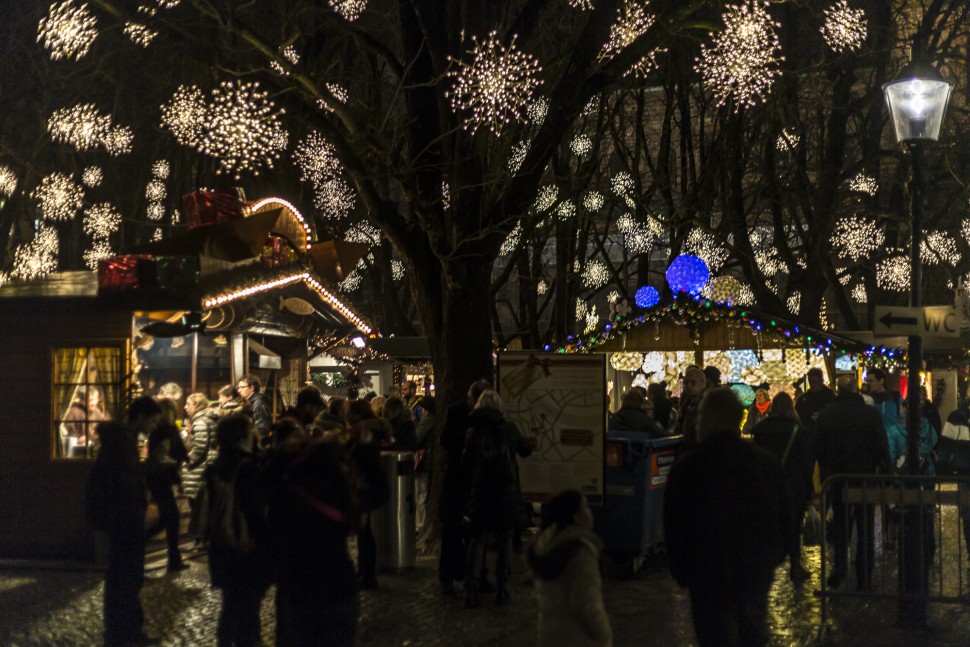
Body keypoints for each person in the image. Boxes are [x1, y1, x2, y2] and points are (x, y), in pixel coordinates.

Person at [664, 387, 794, 647]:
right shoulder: (764, 463)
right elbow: (785, 518)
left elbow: (674, 525)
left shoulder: (689, 467)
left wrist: (683, 571)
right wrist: (770, 559)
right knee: (752, 635)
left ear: (709, 420)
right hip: (752, 570)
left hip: (706, 573)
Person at [85, 397, 162, 647]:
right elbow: (129, 480)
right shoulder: (123, 441)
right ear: (140, 416)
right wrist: (154, 461)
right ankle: (125, 632)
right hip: (123, 518)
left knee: (121, 576)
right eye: (152, 420)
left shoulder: (119, 440)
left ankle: (122, 630)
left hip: (120, 517)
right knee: (126, 577)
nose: (153, 426)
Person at [269, 435, 358, 647]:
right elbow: (379, 490)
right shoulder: (340, 491)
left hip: (298, 584)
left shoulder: (287, 493)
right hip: (337, 583)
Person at [815, 376, 892, 589]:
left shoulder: (826, 415)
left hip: (837, 478)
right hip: (865, 477)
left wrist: (824, 477)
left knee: (840, 525)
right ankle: (863, 576)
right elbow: (881, 446)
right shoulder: (870, 415)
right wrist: (888, 475)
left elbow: (818, 449)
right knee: (865, 526)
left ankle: (839, 569)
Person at [462, 390, 533, 608]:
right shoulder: (508, 429)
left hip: (482, 491)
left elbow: (466, 464)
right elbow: (525, 450)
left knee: (478, 539)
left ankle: (471, 590)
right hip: (506, 491)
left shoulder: (473, 431)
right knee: (505, 541)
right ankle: (502, 588)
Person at [206, 414, 271, 647]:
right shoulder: (247, 468)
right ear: (243, 436)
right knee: (248, 608)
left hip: (221, 544)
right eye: (251, 429)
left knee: (230, 605)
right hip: (246, 547)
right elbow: (255, 513)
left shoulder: (216, 465)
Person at [526, 490, 612, 647]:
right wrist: (604, 634)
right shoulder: (580, 553)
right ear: (576, 517)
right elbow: (588, 605)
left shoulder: (547, 546)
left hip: (550, 637)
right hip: (579, 640)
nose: (590, 513)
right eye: (585, 508)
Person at [750, 392, 814, 582]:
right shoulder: (796, 430)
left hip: (766, 483)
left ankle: (765, 564)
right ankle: (795, 565)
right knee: (793, 525)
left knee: (768, 523)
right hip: (792, 484)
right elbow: (806, 461)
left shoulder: (761, 430)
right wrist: (809, 489)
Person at [438, 379, 491, 597]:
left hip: (476, 480)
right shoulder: (457, 412)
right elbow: (446, 440)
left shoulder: (487, 416)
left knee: (477, 533)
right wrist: (467, 436)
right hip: (457, 478)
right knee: (452, 530)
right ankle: (448, 578)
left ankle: (478, 576)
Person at [344, 399, 391, 589]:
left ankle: (367, 574)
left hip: (365, 487)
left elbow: (364, 459)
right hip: (367, 486)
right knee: (364, 532)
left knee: (364, 532)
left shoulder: (365, 433)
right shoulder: (371, 430)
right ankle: (364, 571)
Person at [145, 397, 190, 572]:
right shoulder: (166, 429)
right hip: (161, 476)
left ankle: (173, 558)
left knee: (168, 518)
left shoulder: (160, 429)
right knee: (171, 517)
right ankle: (172, 558)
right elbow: (176, 450)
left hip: (160, 476)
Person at [182, 392, 220, 550]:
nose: (185, 407)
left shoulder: (199, 422)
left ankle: (199, 540)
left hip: (199, 469)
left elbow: (199, 447)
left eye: (188, 404)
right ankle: (202, 540)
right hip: (206, 466)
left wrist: (186, 461)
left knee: (199, 507)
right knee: (202, 506)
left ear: (196, 406)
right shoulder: (207, 419)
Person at [939, 385, 970, 554]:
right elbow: (946, 443)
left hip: (963, 470)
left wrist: (944, 465)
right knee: (967, 514)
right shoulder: (957, 416)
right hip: (964, 471)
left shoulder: (957, 416)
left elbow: (945, 444)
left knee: (967, 514)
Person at [865, 368, 906, 465]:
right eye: (867, 381)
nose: (868, 384)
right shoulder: (868, 401)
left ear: (881, 381)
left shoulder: (895, 399)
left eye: (871, 381)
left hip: (892, 442)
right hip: (874, 443)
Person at [414, 395, 437, 539]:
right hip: (430, 459)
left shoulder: (427, 420)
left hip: (424, 461)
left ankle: (420, 524)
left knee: (420, 493)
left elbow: (417, 439)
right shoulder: (434, 419)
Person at [795, 368, 835, 434]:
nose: (812, 385)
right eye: (810, 382)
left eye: (814, 382)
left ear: (821, 381)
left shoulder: (830, 398)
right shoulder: (803, 399)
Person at [675, 366, 706, 448]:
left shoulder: (708, 405)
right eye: (686, 383)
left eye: (693, 382)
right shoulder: (685, 403)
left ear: (702, 384)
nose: (688, 386)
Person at [237, 374, 272, 445]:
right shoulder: (248, 402)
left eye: (242, 387)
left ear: (252, 388)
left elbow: (262, 428)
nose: (239, 390)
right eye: (238, 388)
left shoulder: (258, 403)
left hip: (256, 444)